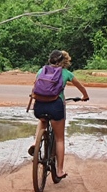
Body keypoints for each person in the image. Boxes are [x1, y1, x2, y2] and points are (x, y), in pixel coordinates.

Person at [29, 50, 89, 179]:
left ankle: (36, 143)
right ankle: (60, 170)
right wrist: (85, 96)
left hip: (39, 106)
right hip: (56, 107)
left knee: (42, 120)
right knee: (60, 139)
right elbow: (81, 87)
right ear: (63, 62)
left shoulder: (41, 71)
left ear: (50, 59)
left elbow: (35, 88)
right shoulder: (66, 73)